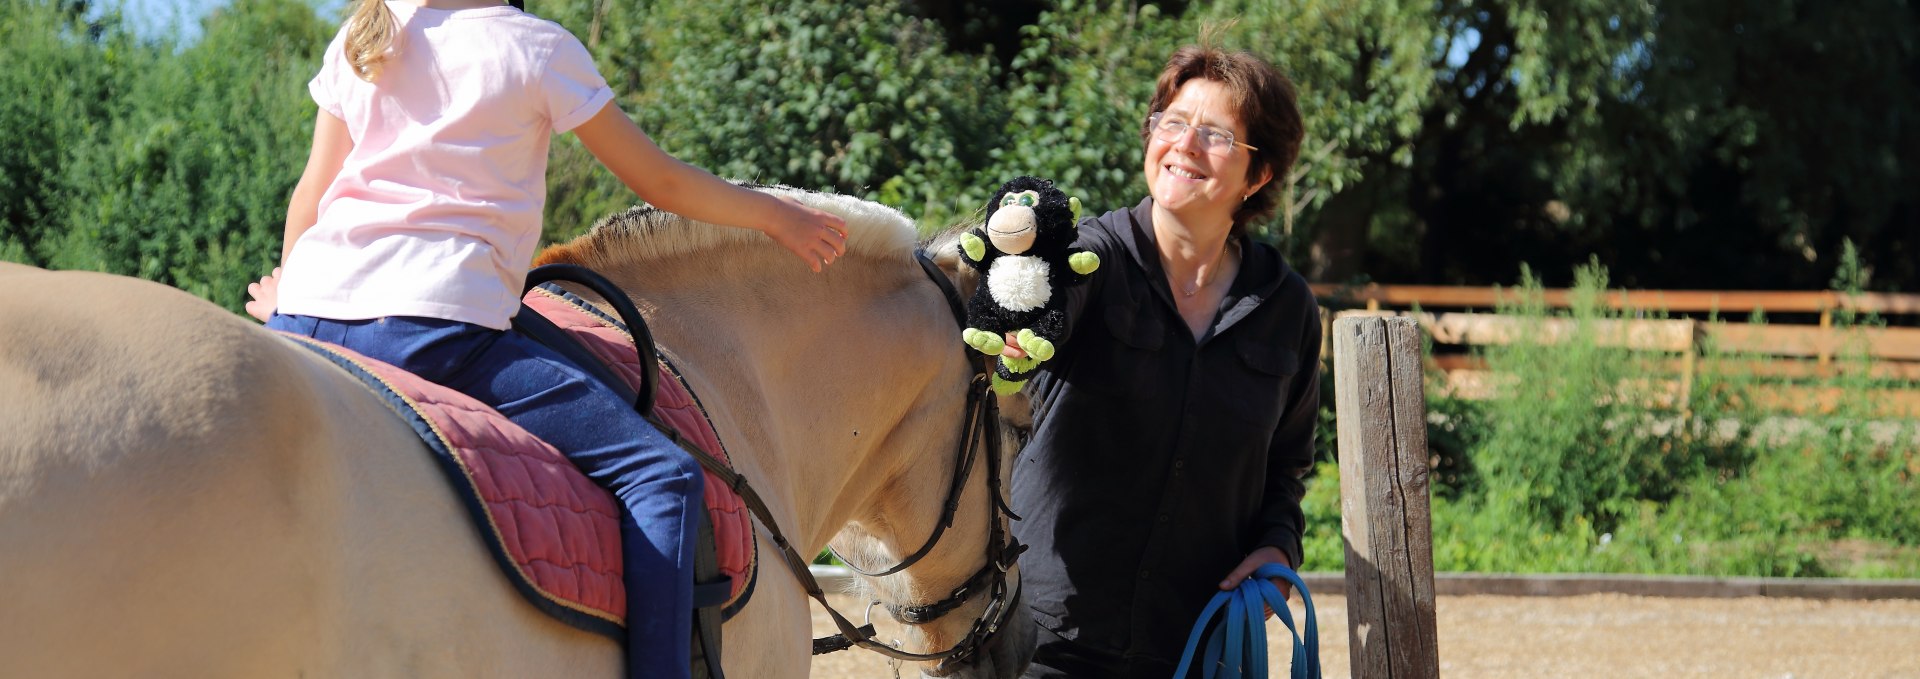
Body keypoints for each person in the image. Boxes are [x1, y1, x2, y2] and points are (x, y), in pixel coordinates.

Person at [244, 1, 847, 677]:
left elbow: (310, 197)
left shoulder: (366, 32)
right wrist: (776, 217)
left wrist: (286, 300)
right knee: (664, 476)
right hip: (436, 326)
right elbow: (661, 181)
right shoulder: (534, 48)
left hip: (310, 311)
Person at [999, 43, 1318, 679]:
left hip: (1199, 646)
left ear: (1258, 177)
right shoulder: (1090, 258)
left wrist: (1279, 544)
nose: (1185, 144)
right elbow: (1038, 307)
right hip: (1045, 643)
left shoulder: (1286, 307)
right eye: (1172, 122)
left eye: (1216, 133)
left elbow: (1286, 466)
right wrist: (1018, 320)